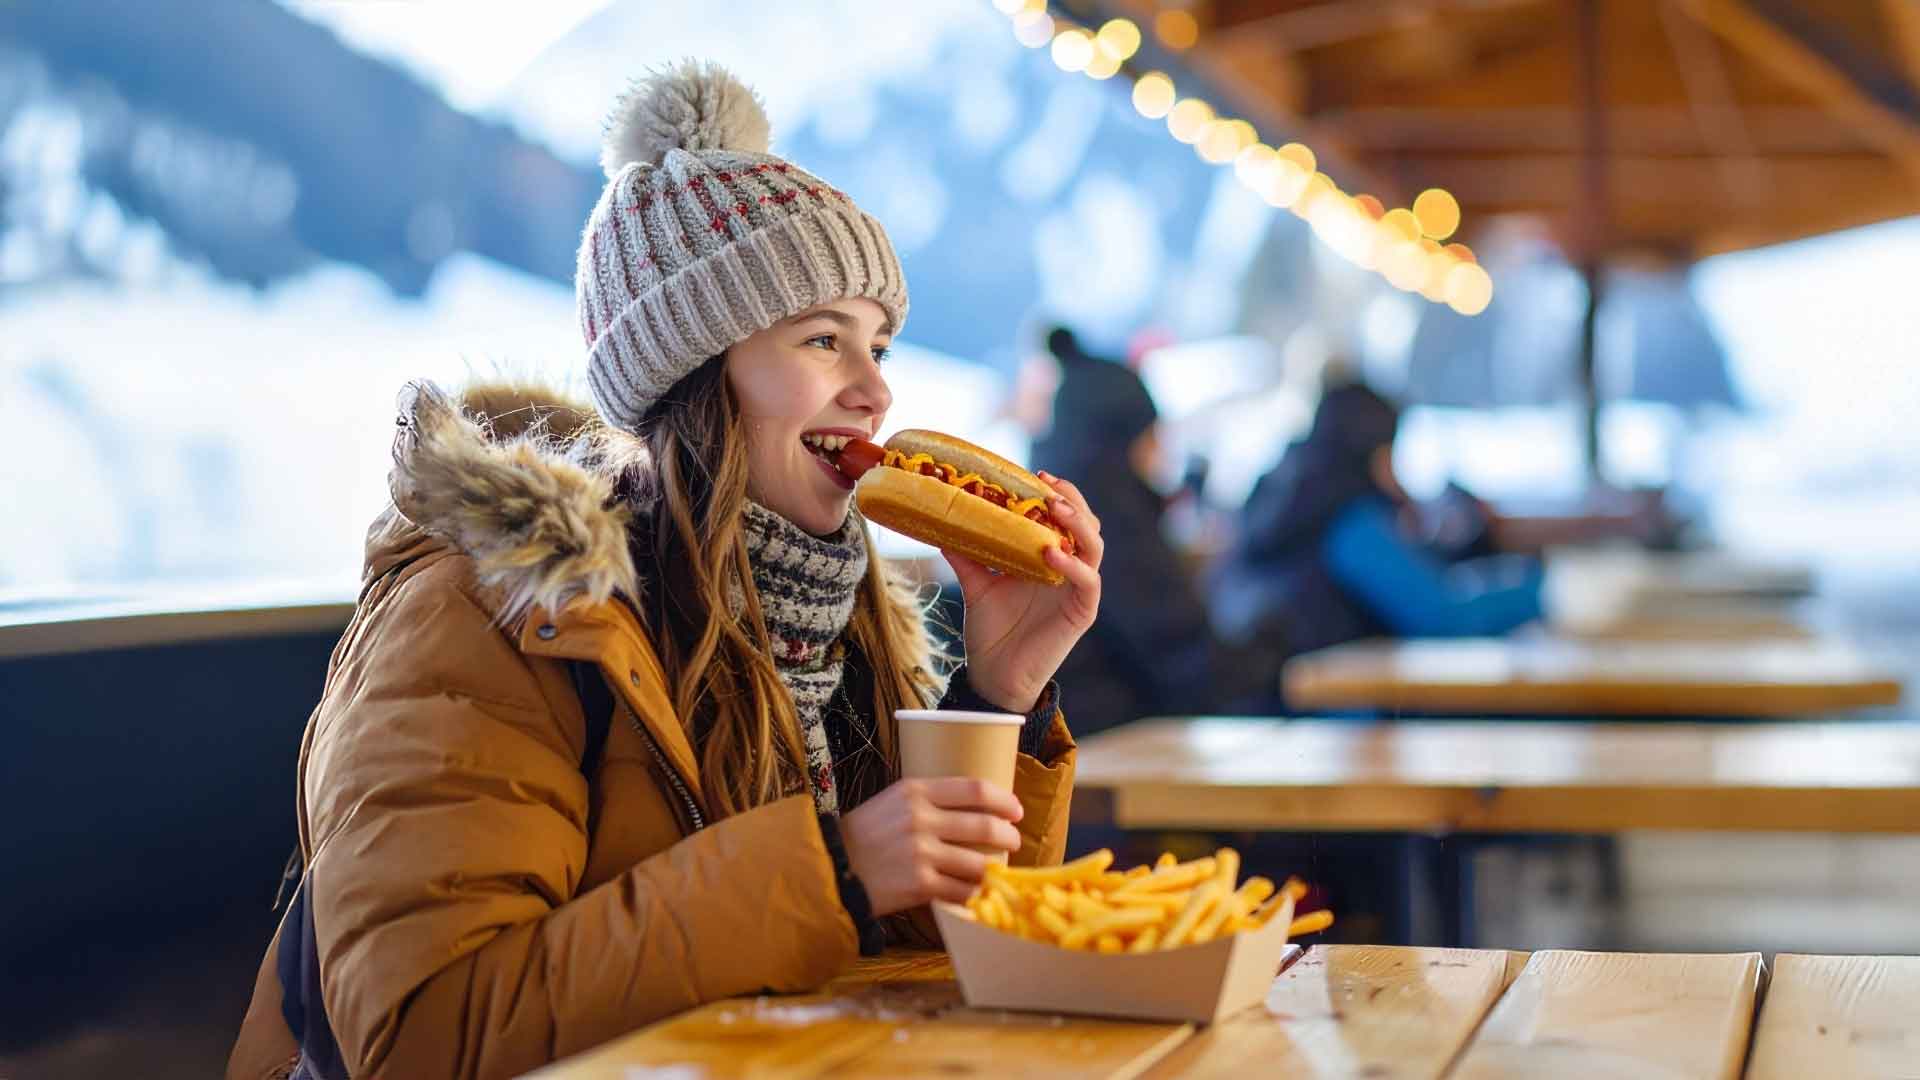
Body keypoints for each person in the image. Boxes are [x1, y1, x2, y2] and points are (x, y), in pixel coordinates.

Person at [228, 63, 1102, 1080]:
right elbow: (429, 1035)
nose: (875, 390)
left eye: (880, 345)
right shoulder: (492, 612)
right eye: (824, 339)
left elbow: (933, 958)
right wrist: (833, 870)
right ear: (692, 368)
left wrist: (997, 693)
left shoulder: (837, 622)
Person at [1030, 327, 1279, 733]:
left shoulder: (1047, 510)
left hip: (1072, 745)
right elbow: (1186, 664)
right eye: (1152, 438)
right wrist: (1275, 641)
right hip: (1105, 750)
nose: (1161, 453)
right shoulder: (1107, 525)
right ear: (1120, 441)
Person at [1209, 382, 1542, 660]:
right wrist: (1553, 592)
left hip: (1272, 704)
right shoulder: (1349, 519)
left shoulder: (1288, 496)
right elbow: (1441, 616)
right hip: (1333, 718)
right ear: (1374, 452)